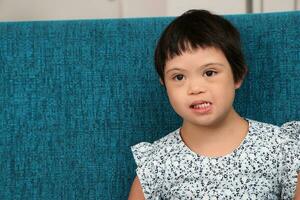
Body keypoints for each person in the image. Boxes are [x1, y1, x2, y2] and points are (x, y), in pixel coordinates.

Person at [128, 9, 300, 199]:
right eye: (178, 77)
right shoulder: (157, 163)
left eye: (209, 73)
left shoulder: (280, 147)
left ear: (238, 75)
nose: (195, 88)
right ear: (164, 83)